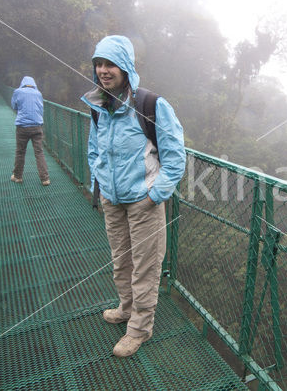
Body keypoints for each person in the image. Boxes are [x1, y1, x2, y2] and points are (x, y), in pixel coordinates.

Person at [81, 35, 186, 357]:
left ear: (125, 67)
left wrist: (154, 196)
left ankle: (139, 330)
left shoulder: (151, 105)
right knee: (121, 261)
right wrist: (98, 182)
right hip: (113, 199)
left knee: (145, 268)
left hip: (143, 202)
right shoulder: (99, 107)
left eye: (109, 64)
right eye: (98, 64)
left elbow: (175, 157)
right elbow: (94, 149)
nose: (103, 70)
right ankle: (126, 309)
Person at [10, 76, 50, 186]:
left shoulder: (17, 92)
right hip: (37, 126)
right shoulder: (38, 93)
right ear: (33, 84)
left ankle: (18, 177)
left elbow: (14, 106)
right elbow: (41, 109)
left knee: (20, 152)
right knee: (39, 152)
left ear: (22, 83)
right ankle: (45, 179)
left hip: (22, 127)